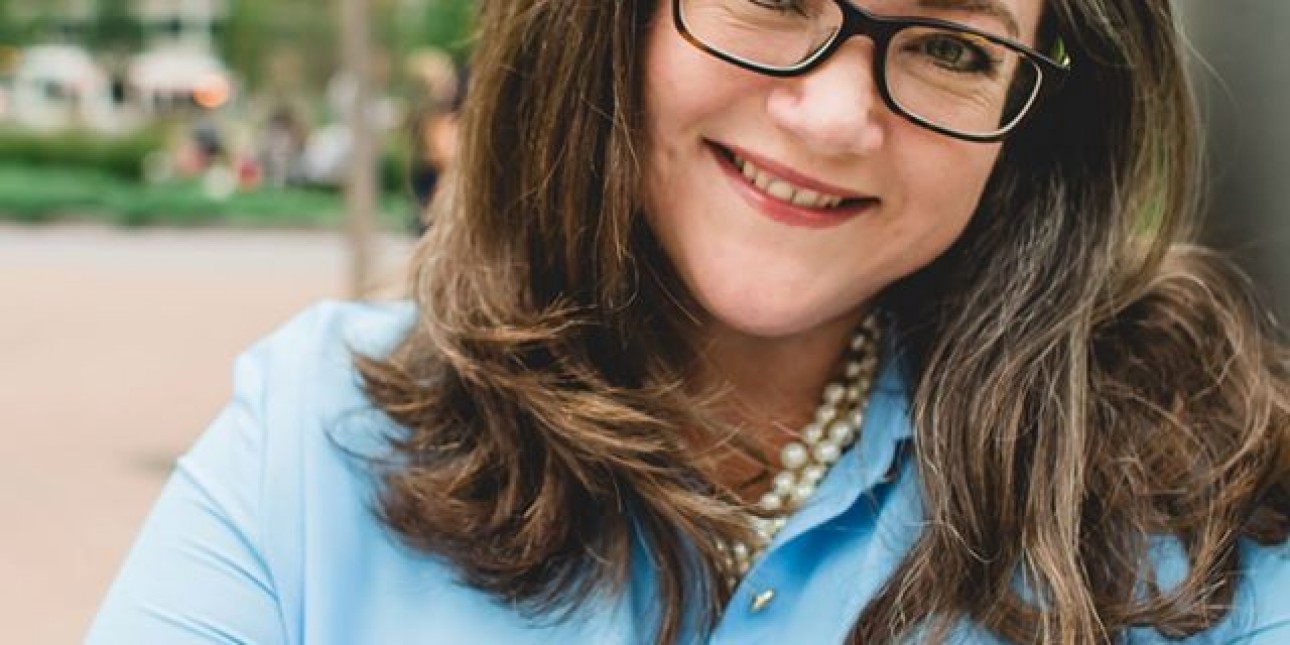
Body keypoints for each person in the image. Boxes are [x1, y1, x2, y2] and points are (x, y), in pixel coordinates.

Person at [88, 0, 1290, 643]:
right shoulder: (317, 433)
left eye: (945, 48)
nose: (831, 118)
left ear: (1036, 125)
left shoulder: (1191, 488)